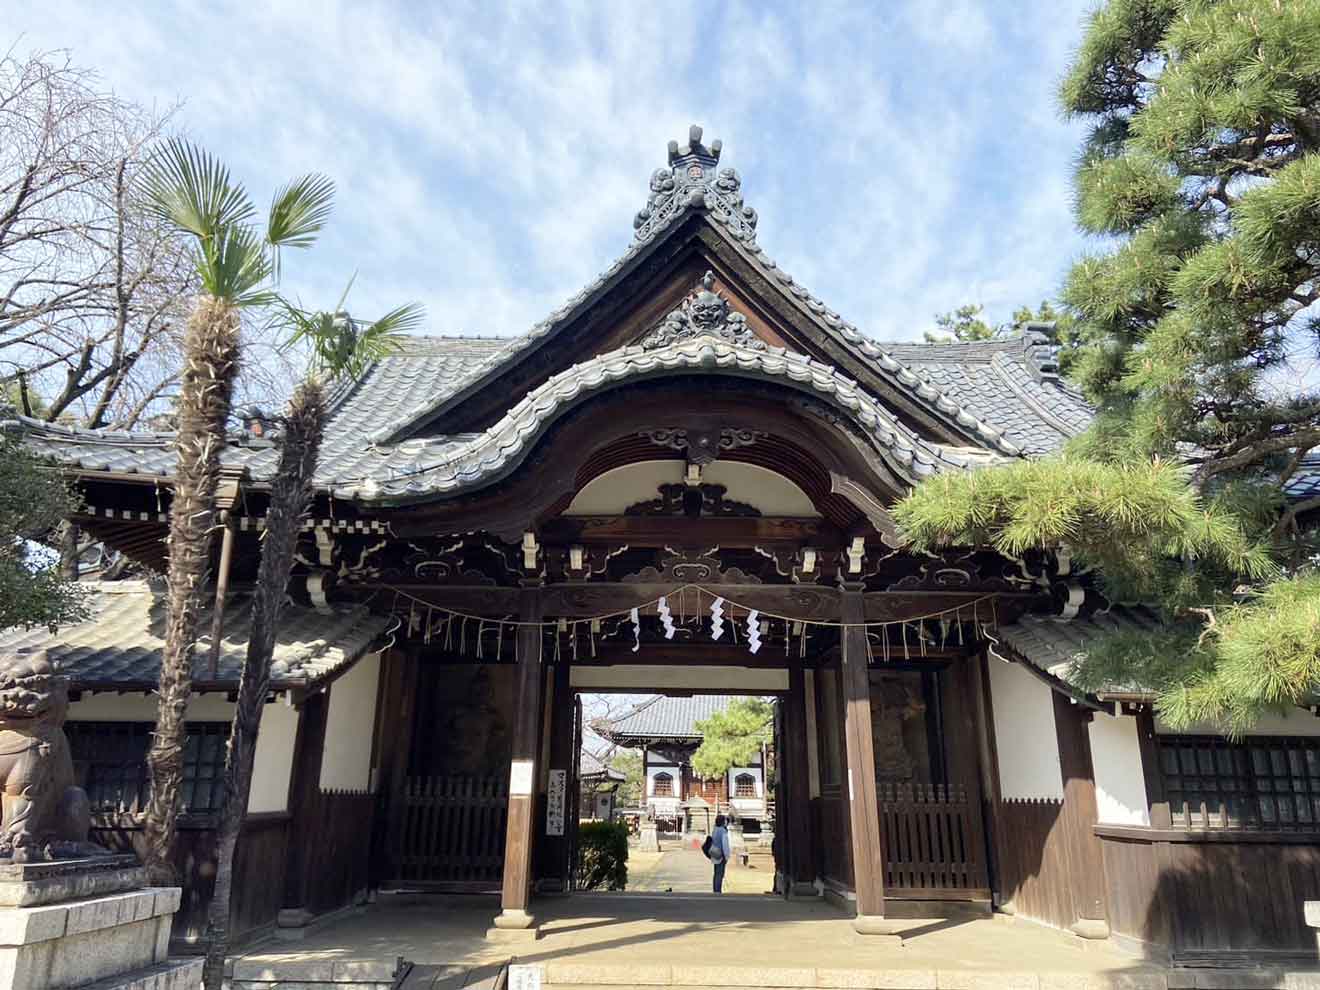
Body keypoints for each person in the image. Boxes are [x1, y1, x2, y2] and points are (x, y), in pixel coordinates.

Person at [710, 814, 732, 894]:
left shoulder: (715, 830)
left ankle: (715, 889)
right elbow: (725, 844)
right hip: (721, 853)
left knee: (716, 873)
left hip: (714, 852)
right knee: (720, 873)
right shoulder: (723, 831)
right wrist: (727, 856)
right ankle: (718, 890)